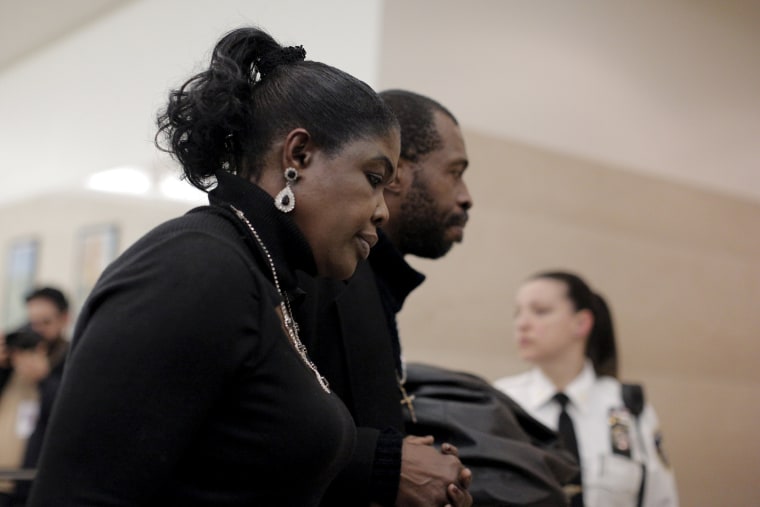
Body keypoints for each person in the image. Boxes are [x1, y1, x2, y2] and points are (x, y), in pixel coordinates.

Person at [26, 26, 422, 506]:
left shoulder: (264, 273)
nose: (382, 210)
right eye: (374, 178)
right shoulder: (195, 268)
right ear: (299, 154)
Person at [297, 89, 474, 506]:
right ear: (396, 172)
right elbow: (274, 433)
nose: (466, 195)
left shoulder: (374, 283)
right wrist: (386, 464)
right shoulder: (325, 278)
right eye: (455, 171)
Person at [494, 271, 679, 507]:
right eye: (517, 313)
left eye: (540, 311)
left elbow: (661, 499)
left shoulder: (628, 406)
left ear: (581, 323)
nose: (522, 323)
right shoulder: (501, 402)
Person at [0, 287, 70, 507]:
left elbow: (69, 417)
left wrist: (43, 380)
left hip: (32, 488)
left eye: (45, 323)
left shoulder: (72, 360)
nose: (37, 331)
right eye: (32, 322)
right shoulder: (13, 358)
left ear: (64, 319)